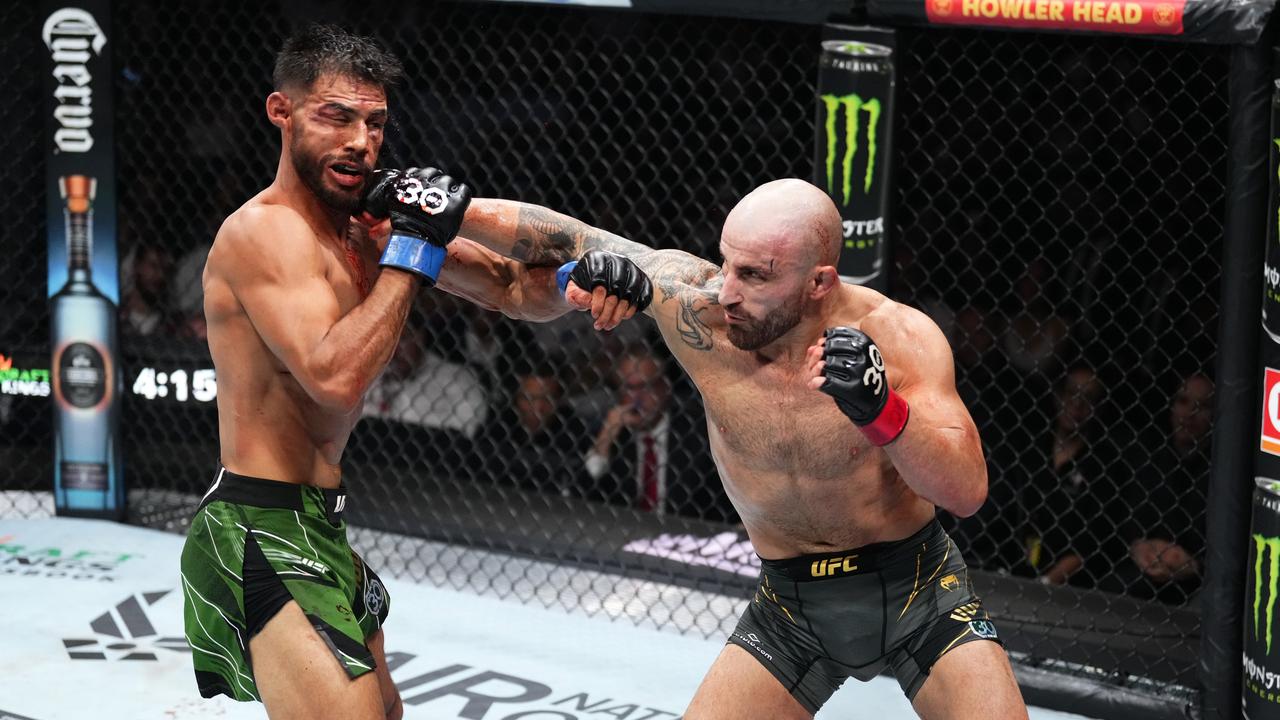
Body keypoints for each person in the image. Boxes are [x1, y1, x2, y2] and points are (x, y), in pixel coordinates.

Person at [178, 24, 653, 720]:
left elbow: (515, 290)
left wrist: (582, 281)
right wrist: (410, 250)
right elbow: (334, 378)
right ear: (282, 113)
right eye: (335, 116)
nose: (360, 142)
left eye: (375, 123)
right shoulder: (263, 233)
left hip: (320, 521)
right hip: (259, 524)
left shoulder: (367, 225)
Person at [457, 179, 1028, 718]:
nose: (727, 290)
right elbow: (562, 235)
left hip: (921, 591)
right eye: (727, 263)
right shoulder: (696, 308)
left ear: (819, 283)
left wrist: (884, 413)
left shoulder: (903, 338)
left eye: (755, 275)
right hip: (789, 605)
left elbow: (967, 491)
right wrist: (448, 209)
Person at [580, 343, 729, 522]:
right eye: (629, 387)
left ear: (664, 387)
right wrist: (605, 438)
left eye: (645, 386)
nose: (637, 398)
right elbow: (582, 493)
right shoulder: (615, 434)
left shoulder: (697, 435)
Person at [1109, 373, 1212, 604]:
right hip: (1143, 570)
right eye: (1183, 402)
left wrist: (1194, 564)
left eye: (1202, 406)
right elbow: (1127, 520)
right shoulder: (1150, 458)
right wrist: (1139, 547)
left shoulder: (1221, 473)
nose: (1190, 414)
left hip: (1199, 581)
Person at [1014, 366, 1117, 588]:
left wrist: (1047, 582)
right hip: (1018, 563)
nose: (1077, 403)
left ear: (1098, 407)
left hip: (1070, 584)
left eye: (1088, 397)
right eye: (1072, 393)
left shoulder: (1101, 465)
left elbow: (1092, 542)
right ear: (1058, 397)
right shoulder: (1033, 448)